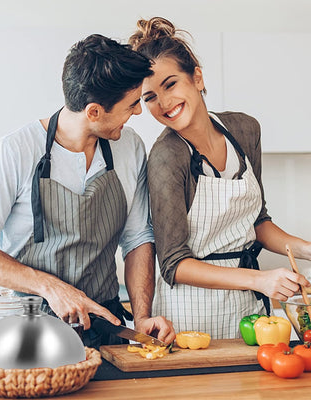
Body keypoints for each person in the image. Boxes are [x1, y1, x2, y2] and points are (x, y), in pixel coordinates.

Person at [0, 34, 175, 347]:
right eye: (131, 105)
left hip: (105, 327)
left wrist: (141, 318)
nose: (138, 112)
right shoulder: (15, 152)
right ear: (94, 111)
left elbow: (137, 239)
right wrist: (51, 287)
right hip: (28, 333)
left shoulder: (130, 147)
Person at [128, 17, 311, 339]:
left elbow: (258, 222)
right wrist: (262, 280)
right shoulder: (167, 157)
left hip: (250, 308)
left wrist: (306, 249)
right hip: (190, 315)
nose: (164, 103)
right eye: (150, 97)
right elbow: (173, 264)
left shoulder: (244, 130)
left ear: (196, 77)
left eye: (170, 84)